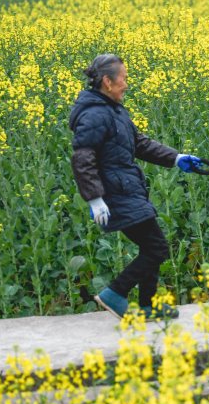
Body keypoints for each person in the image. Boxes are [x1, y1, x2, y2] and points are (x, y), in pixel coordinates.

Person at [69, 54, 201, 320]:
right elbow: (82, 157)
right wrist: (95, 199)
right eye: (124, 79)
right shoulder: (95, 115)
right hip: (114, 194)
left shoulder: (112, 110)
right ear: (107, 81)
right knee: (157, 248)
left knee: (152, 245)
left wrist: (176, 158)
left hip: (127, 189)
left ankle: (148, 305)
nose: (127, 84)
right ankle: (115, 293)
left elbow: (139, 144)